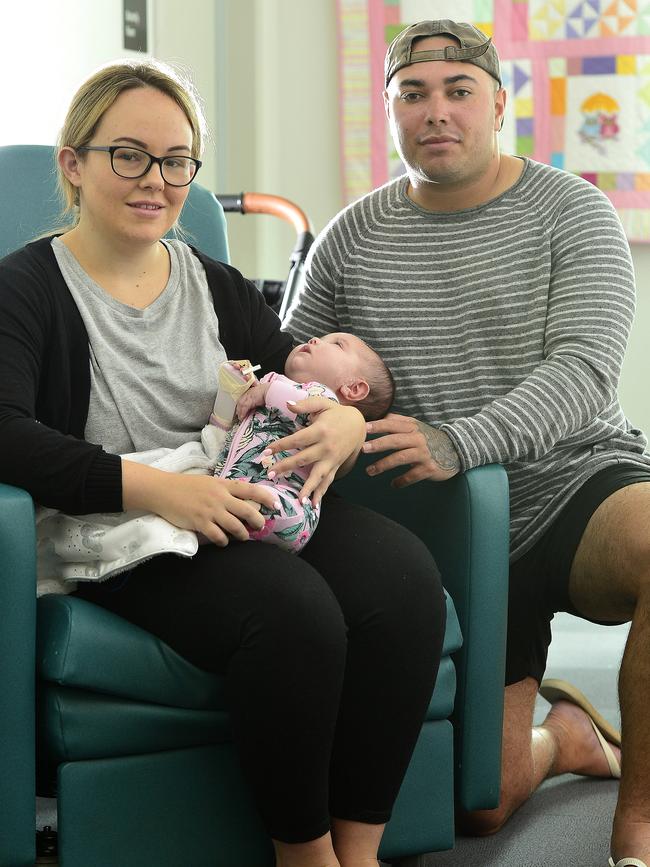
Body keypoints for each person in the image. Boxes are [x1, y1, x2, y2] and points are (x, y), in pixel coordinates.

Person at [0, 58, 447, 867]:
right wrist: (165, 491)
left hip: (239, 488)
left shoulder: (213, 283)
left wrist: (345, 419)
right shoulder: (26, 286)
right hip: (129, 518)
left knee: (406, 581)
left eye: (177, 161)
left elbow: (293, 371)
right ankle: (304, 856)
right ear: (74, 162)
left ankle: (361, 849)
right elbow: (5, 430)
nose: (157, 181)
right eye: (129, 154)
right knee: (293, 612)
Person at [284, 19, 650, 867]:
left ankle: (637, 823)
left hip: (574, 483)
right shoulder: (351, 235)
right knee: (479, 805)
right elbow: (291, 360)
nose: (435, 111)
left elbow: (586, 369)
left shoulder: (571, 210)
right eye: (413, 94)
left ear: (498, 102)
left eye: (457, 91)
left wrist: (461, 438)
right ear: (391, 110)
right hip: (447, 526)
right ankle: (567, 736)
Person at [214, 332, 395, 552]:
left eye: (337, 344)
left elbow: (301, 407)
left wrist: (268, 391)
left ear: (353, 388)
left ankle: (235, 518)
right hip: (232, 479)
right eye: (322, 337)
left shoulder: (325, 400)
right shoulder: (273, 383)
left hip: (285, 495)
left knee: (286, 510)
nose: (315, 340)